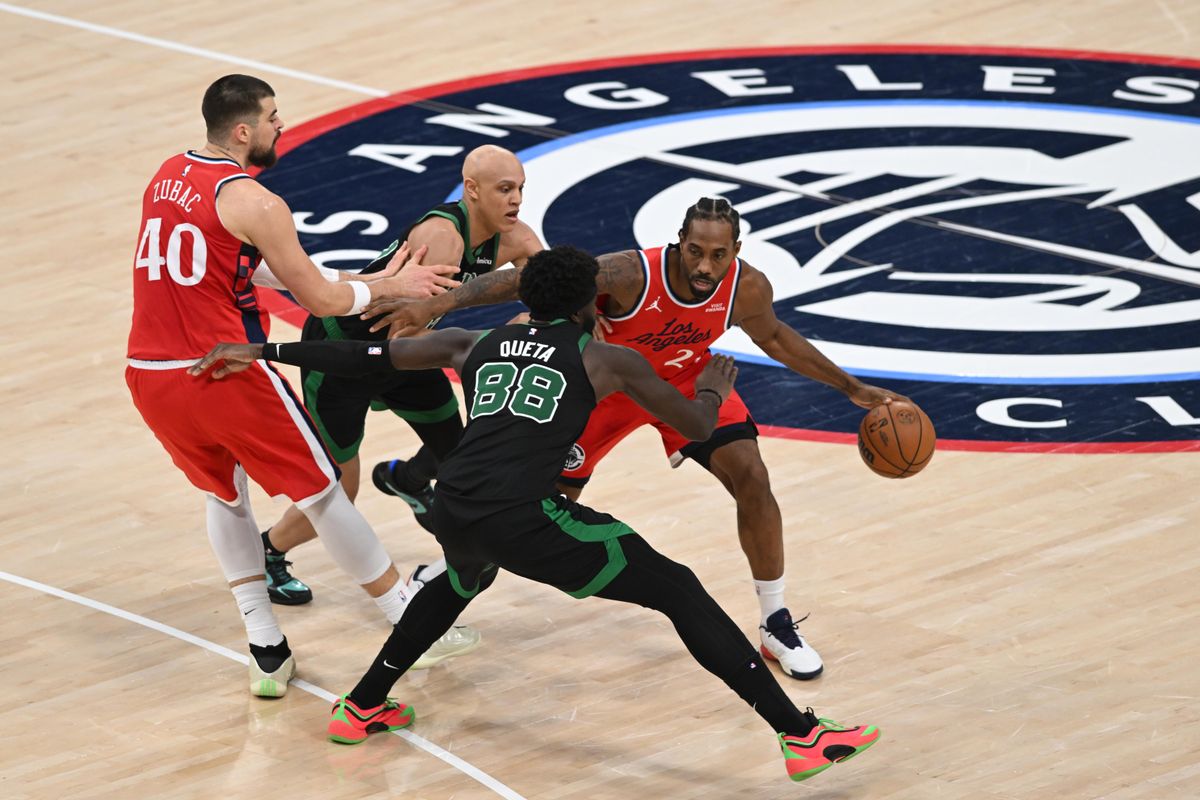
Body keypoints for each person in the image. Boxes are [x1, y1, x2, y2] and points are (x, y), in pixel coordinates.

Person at [191, 246, 881, 784]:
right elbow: (698, 422)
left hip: (451, 503)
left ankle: (364, 703)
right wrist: (710, 383)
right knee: (677, 589)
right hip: (517, 514)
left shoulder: (471, 344)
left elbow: (363, 353)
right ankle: (801, 736)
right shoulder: (608, 359)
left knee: (463, 580)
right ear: (591, 303)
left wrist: (262, 349)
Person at [364, 197, 905, 681]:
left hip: (686, 384)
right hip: (609, 386)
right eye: (695, 251)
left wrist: (849, 386)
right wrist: (441, 303)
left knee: (754, 478)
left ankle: (775, 620)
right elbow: (529, 279)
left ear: (735, 251)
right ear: (679, 244)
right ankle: (445, 553)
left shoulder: (748, 287)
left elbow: (776, 336)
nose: (703, 266)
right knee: (535, 504)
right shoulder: (627, 273)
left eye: (718, 256)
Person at [125, 74, 473, 698]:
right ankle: (408, 619)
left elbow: (249, 266)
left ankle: (266, 649)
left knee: (225, 499)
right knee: (327, 492)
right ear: (242, 131)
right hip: (225, 370)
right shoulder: (257, 202)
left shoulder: (167, 175)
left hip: (151, 378)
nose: (280, 126)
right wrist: (394, 286)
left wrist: (370, 277)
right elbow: (318, 296)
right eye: (272, 117)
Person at [257, 146, 543, 642]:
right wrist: (491, 345)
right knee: (340, 489)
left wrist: (538, 319)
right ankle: (268, 551)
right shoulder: (441, 239)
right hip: (343, 354)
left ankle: (409, 480)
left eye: (520, 188)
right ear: (471, 190)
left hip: (406, 356)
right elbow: (399, 339)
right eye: (504, 189)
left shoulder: (516, 239)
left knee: (461, 457)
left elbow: (557, 290)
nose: (516, 199)